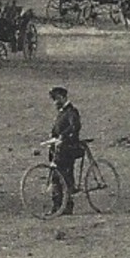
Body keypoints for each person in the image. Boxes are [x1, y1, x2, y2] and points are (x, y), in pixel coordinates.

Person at [47, 85, 84, 215]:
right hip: (58, 150)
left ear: (63, 97)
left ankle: (67, 205)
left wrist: (63, 136)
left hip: (68, 149)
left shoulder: (72, 112)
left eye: (56, 99)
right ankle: (57, 206)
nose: (55, 103)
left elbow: (75, 127)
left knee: (65, 176)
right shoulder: (62, 113)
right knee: (56, 177)